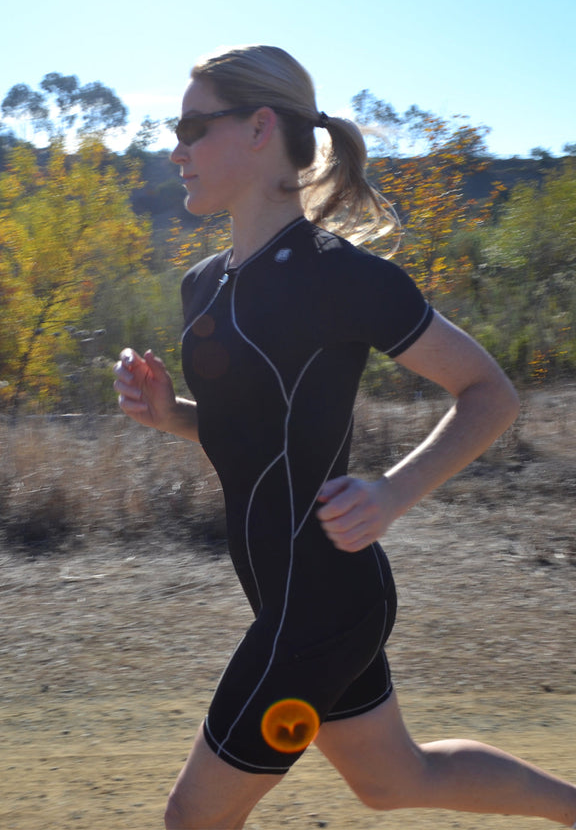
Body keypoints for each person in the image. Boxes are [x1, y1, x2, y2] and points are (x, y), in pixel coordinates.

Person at [113, 45, 576, 830]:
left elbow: (489, 393)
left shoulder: (343, 277)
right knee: (395, 778)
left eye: (192, 126)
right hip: (297, 598)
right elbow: (259, 433)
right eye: (174, 127)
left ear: (260, 127)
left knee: (194, 816)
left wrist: (393, 491)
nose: (175, 148)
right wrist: (174, 417)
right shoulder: (204, 281)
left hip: (321, 606)